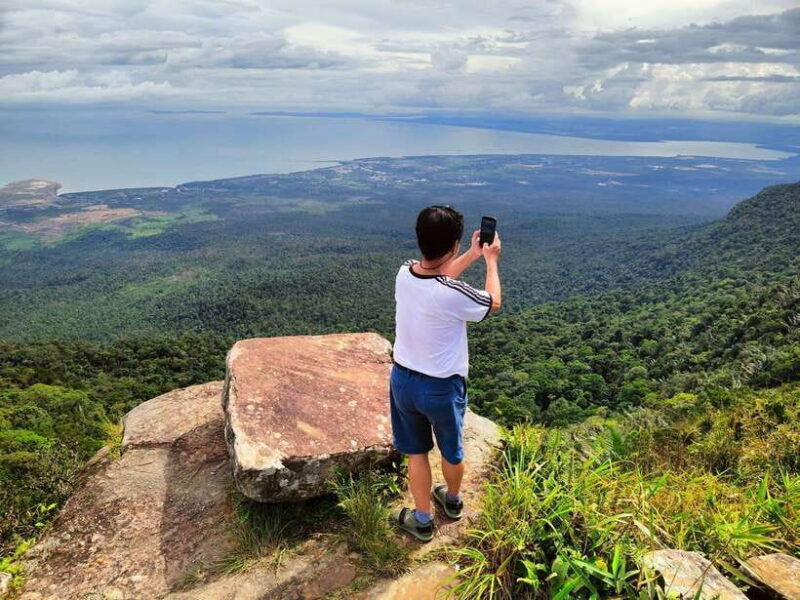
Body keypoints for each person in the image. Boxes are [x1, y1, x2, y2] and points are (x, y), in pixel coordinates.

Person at [389, 204, 502, 542]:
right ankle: (451, 502)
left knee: (417, 452)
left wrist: (470, 253)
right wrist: (490, 261)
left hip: (404, 380)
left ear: (420, 239)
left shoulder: (403, 273)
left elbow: (437, 277)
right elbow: (492, 302)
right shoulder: (453, 294)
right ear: (451, 244)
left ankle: (422, 520)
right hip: (441, 387)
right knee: (451, 449)